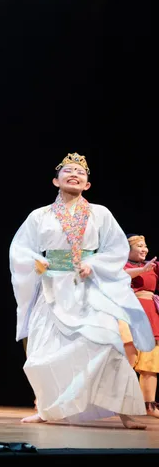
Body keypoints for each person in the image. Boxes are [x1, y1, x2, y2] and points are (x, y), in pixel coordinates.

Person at [10, 152, 154, 429]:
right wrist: (36, 260)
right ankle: (46, 408)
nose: (74, 174)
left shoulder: (100, 213)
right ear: (56, 180)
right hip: (52, 288)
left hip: (88, 288)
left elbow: (116, 248)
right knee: (44, 352)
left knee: (108, 346)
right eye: (68, 170)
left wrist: (94, 264)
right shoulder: (39, 215)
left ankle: (125, 412)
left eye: (80, 172)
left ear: (87, 184)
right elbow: (20, 248)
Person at [121, 235, 159, 417]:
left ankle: (149, 406)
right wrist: (142, 270)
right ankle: (119, 404)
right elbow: (120, 277)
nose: (145, 250)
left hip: (151, 314)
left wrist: (147, 268)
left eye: (145, 246)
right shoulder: (120, 266)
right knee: (127, 361)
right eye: (140, 246)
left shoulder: (152, 266)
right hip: (131, 313)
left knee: (151, 362)